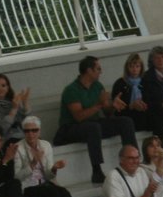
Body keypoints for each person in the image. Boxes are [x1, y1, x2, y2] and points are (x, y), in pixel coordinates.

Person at [57, 56, 138, 187]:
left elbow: (106, 112)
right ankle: (97, 170)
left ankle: (133, 160)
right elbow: (78, 117)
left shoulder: (97, 86)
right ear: (89, 70)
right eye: (98, 69)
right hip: (71, 127)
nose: (101, 72)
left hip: (93, 123)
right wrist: (99, 104)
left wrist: (113, 105)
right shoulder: (71, 90)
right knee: (93, 127)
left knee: (125, 122)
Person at [15, 117, 79, 197]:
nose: (31, 133)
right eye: (27, 131)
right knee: (53, 192)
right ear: (23, 132)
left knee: (64, 192)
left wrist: (54, 168)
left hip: (45, 184)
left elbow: (49, 174)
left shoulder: (45, 145)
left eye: (34, 130)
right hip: (27, 188)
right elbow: (17, 177)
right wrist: (33, 163)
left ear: (39, 131)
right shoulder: (18, 148)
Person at [0, 74, 33, 143]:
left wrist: (25, 104)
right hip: (6, 140)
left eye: (3, 85)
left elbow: (30, 124)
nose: (0, 88)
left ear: (8, 88)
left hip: (24, 136)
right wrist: (13, 110)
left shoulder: (13, 101)